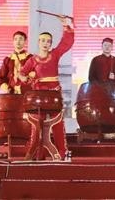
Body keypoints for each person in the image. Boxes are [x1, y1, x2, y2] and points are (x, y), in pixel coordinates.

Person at [18, 16, 74, 160]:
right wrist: (25, 78)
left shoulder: (54, 55)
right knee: (37, 127)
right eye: (43, 40)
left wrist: (66, 26)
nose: (45, 43)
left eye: (48, 41)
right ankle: (37, 154)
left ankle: (61, 154)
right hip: (39, 99)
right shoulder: (32, 60)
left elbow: (66, 44)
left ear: (50, 44)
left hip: (53, 96)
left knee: (57, 126)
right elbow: (22, 73)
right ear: (38, 42)